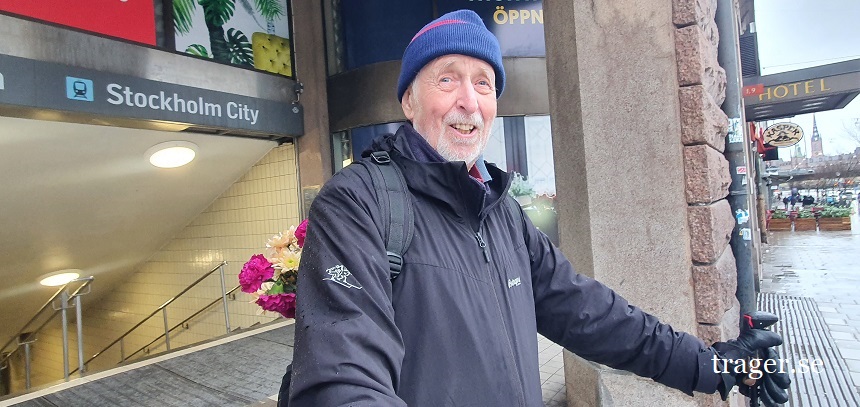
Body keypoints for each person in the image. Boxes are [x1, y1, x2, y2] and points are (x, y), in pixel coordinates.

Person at [289, 10, 789, 407]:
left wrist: (714, 365)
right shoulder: (357, 204)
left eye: (484, 83)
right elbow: (344, 381)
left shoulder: (500, 213)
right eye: (447, 79)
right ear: (408, 102)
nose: (469, 100)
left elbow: (591, 313)